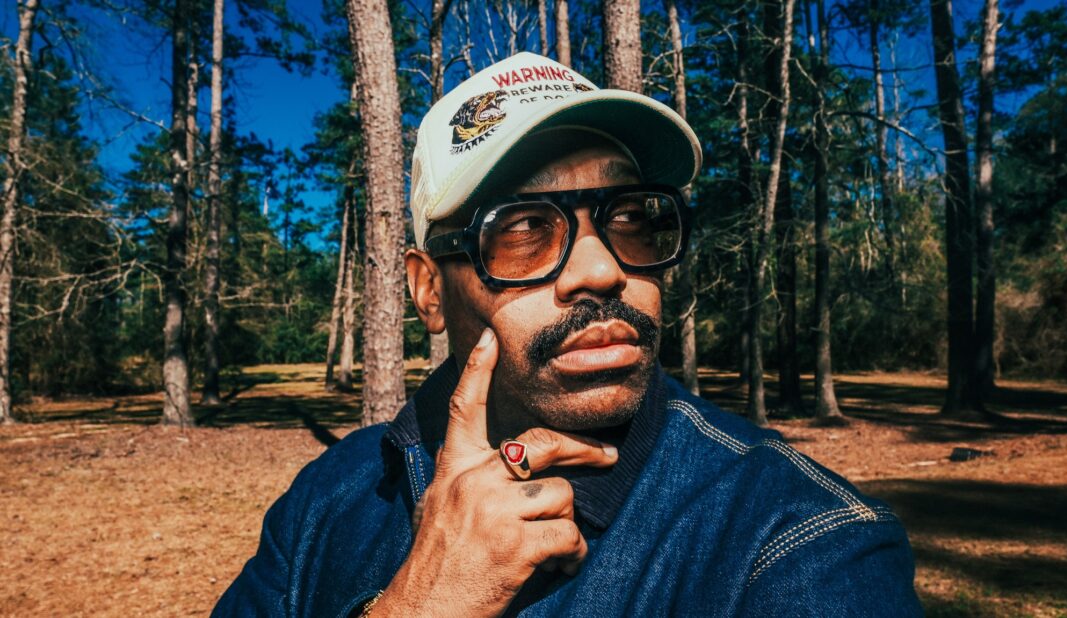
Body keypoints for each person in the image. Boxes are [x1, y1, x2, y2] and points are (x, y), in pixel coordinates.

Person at [214, 52, 922, 617]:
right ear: (429, 289)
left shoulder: (799, 541)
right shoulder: (329, 498)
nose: (600, 268)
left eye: (630, 218)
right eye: (522, 228)